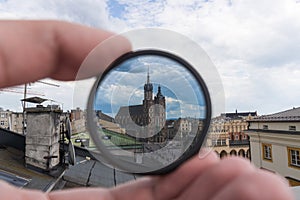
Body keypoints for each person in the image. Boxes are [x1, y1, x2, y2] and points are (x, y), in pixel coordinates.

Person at [0, 20, 295, 200]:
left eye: (152, 94)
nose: (150, 95)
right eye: (149, 92)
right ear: (147, 93)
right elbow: (136, 122)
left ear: (155, 97)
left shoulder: (159, 105)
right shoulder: (142, 106)